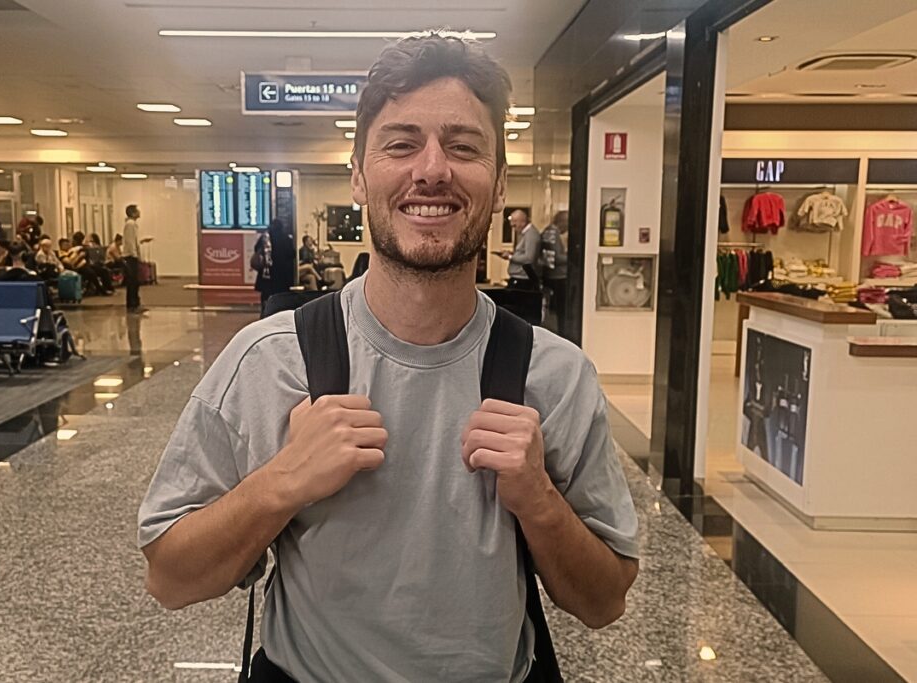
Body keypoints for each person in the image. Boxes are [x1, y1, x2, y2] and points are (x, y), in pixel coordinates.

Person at [138, 32, 638, 683]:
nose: (432, 169)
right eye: (401, 144)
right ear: (357, 174)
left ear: (499, 182)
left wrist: (538, 499)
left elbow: (605, 600)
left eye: (463, 146)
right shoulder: (270, 361)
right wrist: (283, 480)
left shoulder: (555, 376)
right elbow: (168, 577)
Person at [496, 208, 542, 290]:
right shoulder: (525, 234)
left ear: (522, 222)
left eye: (514, 225)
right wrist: (512, 254)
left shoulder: (531, 235)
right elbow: (523, 253)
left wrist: (510, 257)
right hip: (518, 278)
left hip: (523, 280)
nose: (513, 227)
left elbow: (529, 259)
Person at [540, 210, 569, 330]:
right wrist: (575, 257)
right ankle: (562, 331)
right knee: (561, 309)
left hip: (548, 274)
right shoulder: (555, 233)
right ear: (563, 222)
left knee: (551, 309)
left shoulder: (547, 231)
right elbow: (557, 258)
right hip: (558, 276)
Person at [122, 204, 151, 313]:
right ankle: (132, 304)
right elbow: (130, 242)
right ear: (133, 213)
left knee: (134, 281)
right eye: (137, 211)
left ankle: (135, 304)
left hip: (131, 255)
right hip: (130, 257)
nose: (139, 212)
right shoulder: (130, 225)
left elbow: (134, 241)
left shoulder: (132, 224)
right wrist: (135, 255)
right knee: (133, 282)